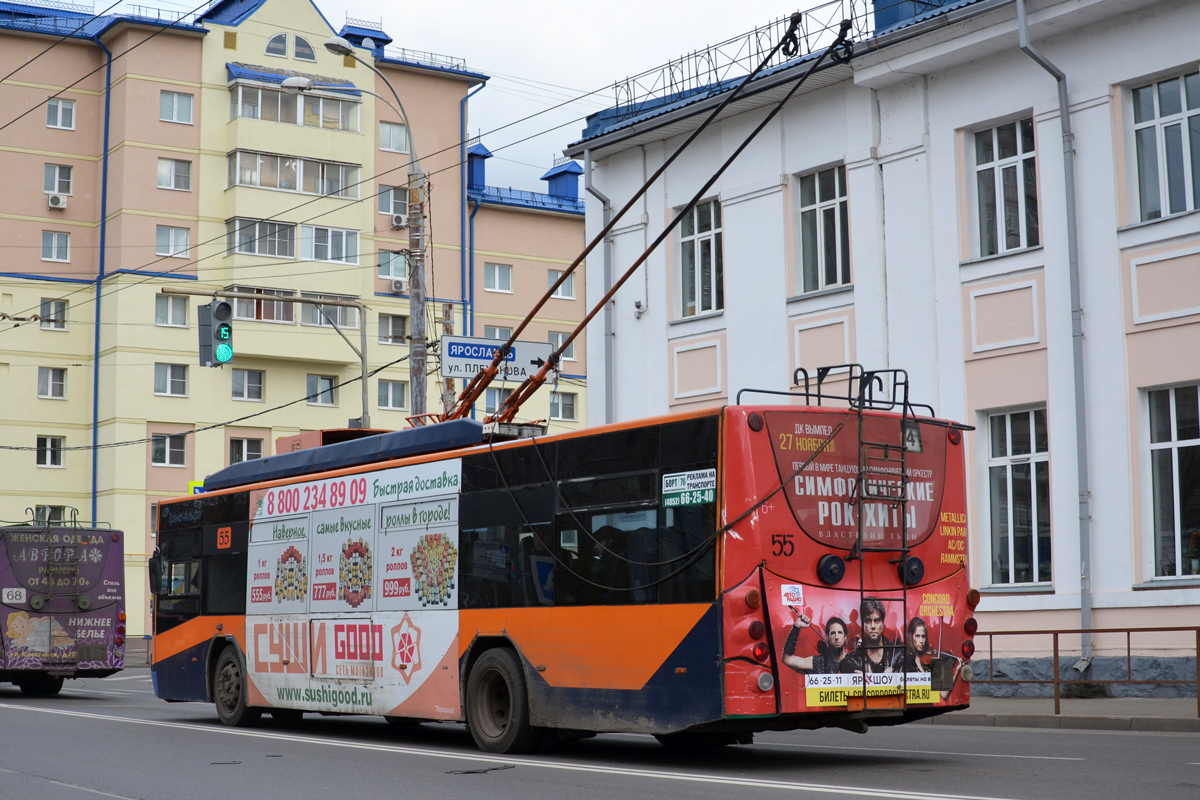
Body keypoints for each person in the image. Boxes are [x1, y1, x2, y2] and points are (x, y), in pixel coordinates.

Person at [840, 598, 903, 674]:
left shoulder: (898, 655)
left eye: (877, 621)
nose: (873, 626)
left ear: (882, 623)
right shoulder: (852, 660)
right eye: (868, 621)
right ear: (863, 624)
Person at [781, 612, 849, 674]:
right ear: (827, 637)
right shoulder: (819, 662)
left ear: (845, 637)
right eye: (833, 633)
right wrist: (796, 626)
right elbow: (787, 659)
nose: (837, 637)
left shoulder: (856, 660)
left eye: (840, 633)